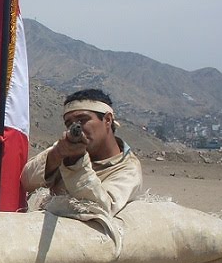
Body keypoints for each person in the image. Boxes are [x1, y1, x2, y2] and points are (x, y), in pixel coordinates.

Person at [21, 88, 142, 217]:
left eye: (83, 120)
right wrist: (56, 155)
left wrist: (76, 161)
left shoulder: (128, 169)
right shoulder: (65, 148)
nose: (76, 127)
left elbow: (98, 208)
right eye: (69, 123)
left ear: (107, 120)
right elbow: (26, 180)